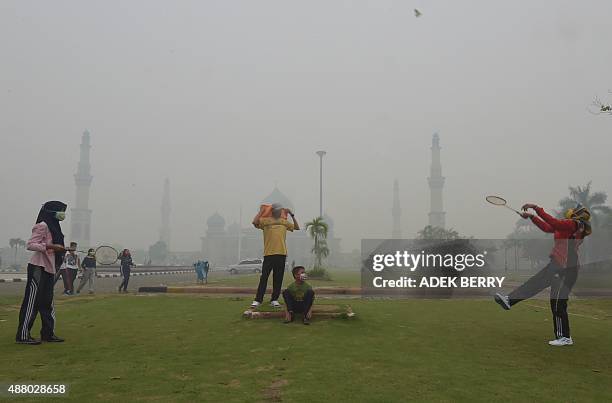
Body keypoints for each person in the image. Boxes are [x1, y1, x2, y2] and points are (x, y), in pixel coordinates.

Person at [494, 203, 592, 346]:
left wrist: (536, 208)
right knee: (538, 285)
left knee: (557, 302)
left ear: (577, 214)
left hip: (565, 269)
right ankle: (510, 300)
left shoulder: (575, 224)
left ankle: (564, 337)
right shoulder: (569, 226)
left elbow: (554, 222)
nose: (569, 211)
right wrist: (532, 217)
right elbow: (547, 228)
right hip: (558, 265)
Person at [16, 201, 67, 344]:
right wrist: (51, 246)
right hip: (38, 267)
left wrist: (61, 248)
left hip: (49, 268)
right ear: (52, 211)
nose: (63, 214)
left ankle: (48, 333)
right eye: (61, 211)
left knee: (48, 302)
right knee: (32, 301)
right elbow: (31, 245)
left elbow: (54, 248)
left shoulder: (55, 227)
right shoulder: (43, 225)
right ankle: (23, 335)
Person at [250, 203, 300, 309]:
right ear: (272, 211)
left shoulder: (283, 222)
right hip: (269, 254)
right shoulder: (265, 221)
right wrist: (262, 211)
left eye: (280, 211)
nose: (278, 212)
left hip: (281, 254)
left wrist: (292, 215)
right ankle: (258, 300)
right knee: (264, 278)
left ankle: (274, 299)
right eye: (276, 210)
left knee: (278, 278)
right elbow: (254, 222)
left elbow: (296, 227)